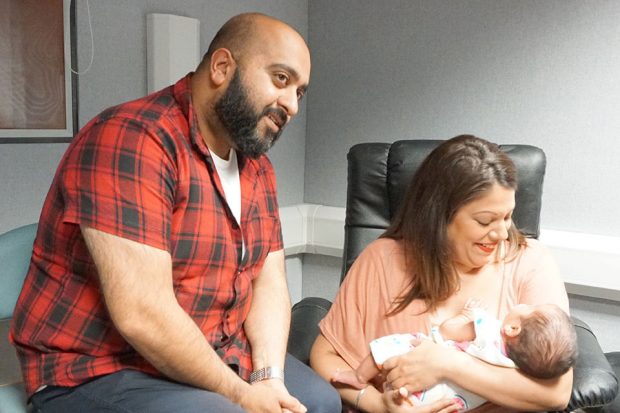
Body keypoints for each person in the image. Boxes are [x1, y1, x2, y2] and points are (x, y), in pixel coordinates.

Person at [10, 12, 340, 413]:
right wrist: (240, 395)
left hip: (216, 352)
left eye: (299, 93)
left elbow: (268, 283)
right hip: (100, 369)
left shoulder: (257, 168)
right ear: (222, 67)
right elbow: (143, 316)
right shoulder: (131, 139)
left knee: (321, 401)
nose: (291, 105)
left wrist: (267, 378)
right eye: (281, 79)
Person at [310, 135, 574, 413]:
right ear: (439, 216)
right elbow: (326, 354)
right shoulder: (382, 260)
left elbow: (557, 391)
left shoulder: (529, 261)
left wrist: (448, 364)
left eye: (507, 216)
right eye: (485, 220)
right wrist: (378, 405)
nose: (501, 233)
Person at [332, 300, 577, 410]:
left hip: (409, 376)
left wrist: (467, 316)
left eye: (531, 308)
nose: (527, 304)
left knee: (392, 345)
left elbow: (448, 331)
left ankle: (359, 376)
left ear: (513, 329)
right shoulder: (516, 367)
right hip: (447, 402)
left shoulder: (489, 328)